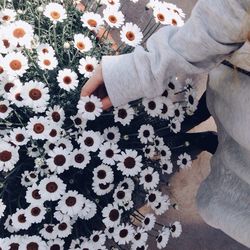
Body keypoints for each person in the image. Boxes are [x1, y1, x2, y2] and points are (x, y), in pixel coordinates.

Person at [81, 0, 250, 247]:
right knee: (206, 111)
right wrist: (137, 72)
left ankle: (198, 132)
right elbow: (228, 15)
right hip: (235, 97)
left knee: (225, 199)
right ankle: (195, 118)